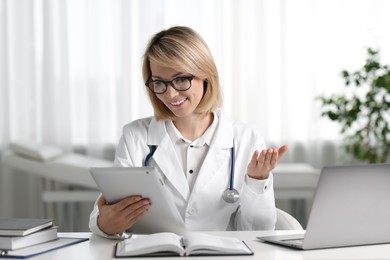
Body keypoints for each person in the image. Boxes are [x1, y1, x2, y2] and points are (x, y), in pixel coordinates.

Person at [89, 26, 288, 238]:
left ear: (205, 75)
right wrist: (105, 224)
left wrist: (257, 181)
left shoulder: (246, 139)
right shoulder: (135, 137)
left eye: (181, 79)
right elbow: (102, 215)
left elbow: (258, 232)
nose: (171, 94)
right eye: (159, 83)